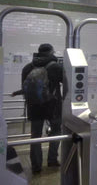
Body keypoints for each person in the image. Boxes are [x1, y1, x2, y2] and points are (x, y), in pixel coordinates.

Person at [18, 43, 64, 173]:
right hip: (53, 106)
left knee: (36, 136)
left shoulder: (27, 67)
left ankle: (36, 166)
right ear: (51, 52)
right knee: (55, 132)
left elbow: (24, 88)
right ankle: (52, 160)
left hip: (34, 107)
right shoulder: (55, 66)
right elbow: (66, 83)